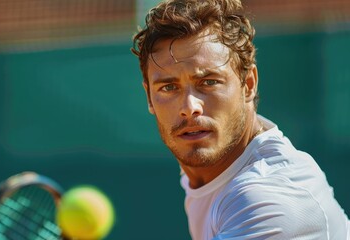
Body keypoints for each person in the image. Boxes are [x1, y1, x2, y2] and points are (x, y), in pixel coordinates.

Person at [131, 0, 350, 239]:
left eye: (209, 82)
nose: (189, 107)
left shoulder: (270, 201)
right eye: (169, 87)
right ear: (149, 98)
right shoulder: (212, 161)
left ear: (248, 84)